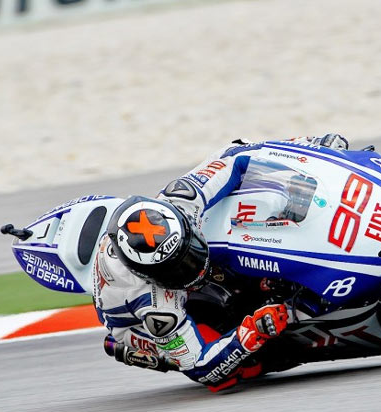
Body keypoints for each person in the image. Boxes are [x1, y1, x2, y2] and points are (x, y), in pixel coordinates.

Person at [94, 134, 349, 392]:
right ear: (149, 275)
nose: (194, 266)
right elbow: (200, 366)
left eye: (189, 251)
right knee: (240, 368)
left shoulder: (182, 200)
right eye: (177, 269)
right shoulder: (156, 307)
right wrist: (251, 332)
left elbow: (238, 153)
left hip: (165, 254)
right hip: (133, 327)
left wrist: (312, 144)